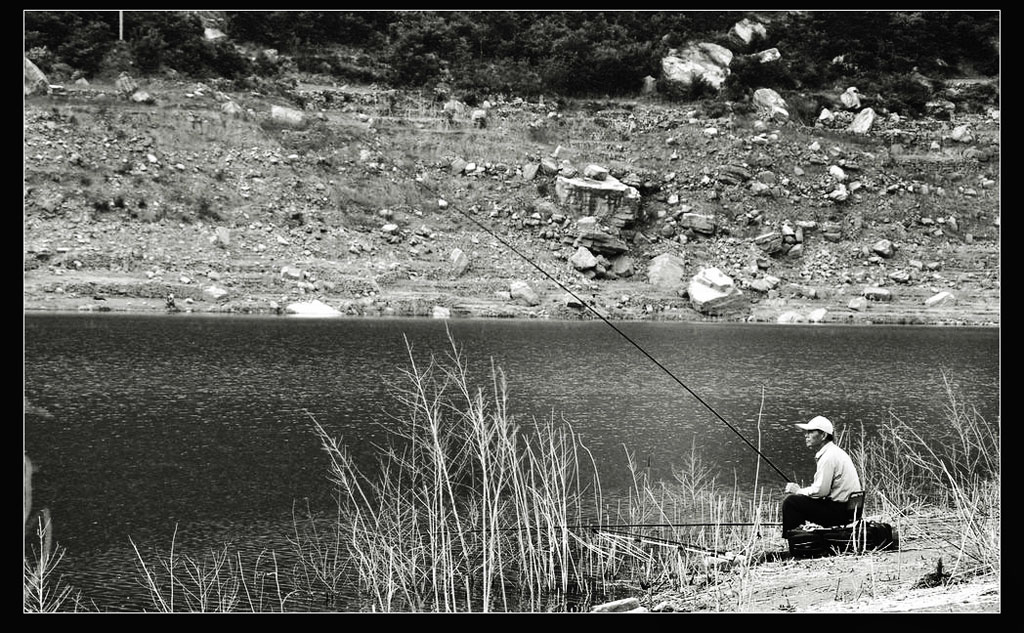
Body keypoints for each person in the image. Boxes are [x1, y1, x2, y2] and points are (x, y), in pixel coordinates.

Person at [781, 415, 862, 537]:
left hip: (840, 513)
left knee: (791, 502)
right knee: (798, 500)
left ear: (823, 436)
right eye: (806, 432)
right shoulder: (835, 452)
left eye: (810, 432)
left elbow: (821, 491)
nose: (806, 435)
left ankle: (796, 541)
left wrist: (798, 491)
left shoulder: (828, 457)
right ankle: (801, 539)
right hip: (850, 511)